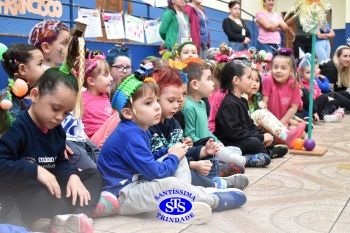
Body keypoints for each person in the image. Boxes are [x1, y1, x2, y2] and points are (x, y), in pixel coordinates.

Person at [97, 71, 247, 223]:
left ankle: (187, 199)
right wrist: (173, 156)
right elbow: (156, 173)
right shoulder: (131, 136)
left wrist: (170, 152)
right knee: (170, 183)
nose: (156, 107)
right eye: (148, 103)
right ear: (128, 113)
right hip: (122, 195)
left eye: (156, 100)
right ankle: (211, 199)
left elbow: (149, 159)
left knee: (179, 158)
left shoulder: (140, 128)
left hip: (137, 183)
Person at [0, 67, 103, 232]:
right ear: (35, 96)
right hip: (28, 194)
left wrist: (73, 177)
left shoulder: (57, 130)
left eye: (66, 113)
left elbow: (61, 162)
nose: (59, 117)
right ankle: (84, 206)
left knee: (93, 174)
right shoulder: (16, 128)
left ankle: (81, 215)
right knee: (40, 199)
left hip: (54, 190)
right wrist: (35, 170)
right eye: (55, 109)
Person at [149, 65, 248, 189]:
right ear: (156, 99)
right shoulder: (149, 128)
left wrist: (203, 151)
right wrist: (193, 164)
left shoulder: (173, 122)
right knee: (187, 175)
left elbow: (182, 151)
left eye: (180, 98)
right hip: (166, 173)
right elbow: (159, 164)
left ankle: (214, 173)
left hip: (180, 165)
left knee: (209, 163)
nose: (176, 105)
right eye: (171, 100)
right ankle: (216, 185)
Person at [181, 60, 271, 167]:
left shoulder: (202, 104)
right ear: (195, 84)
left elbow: (206, 131)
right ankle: (245, 160)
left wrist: (217, 141)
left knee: (235, 149)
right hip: (203, 148)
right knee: (250, 144)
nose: (213, 83)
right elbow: (191, 136)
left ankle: (231, 161)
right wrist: (211, 144)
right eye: (209, 79)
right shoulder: (188, 107)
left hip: (211, 145)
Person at [214, 60, 288, 160]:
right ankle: (269, 153)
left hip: (242, 137)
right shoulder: (229, 104)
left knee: (270, 137)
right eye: (249, 78)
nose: (251, 82)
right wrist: (260, 138)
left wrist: (262, 135)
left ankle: (262, 150)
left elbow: (250, 125)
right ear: (236, 80)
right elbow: (234, 133)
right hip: (230, 142)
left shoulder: (242, 101)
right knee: (254, 142)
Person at [248, 69, 306, 148]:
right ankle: (285, 136)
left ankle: (284, 136)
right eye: (250, 80)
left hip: (257, 129)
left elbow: (267, 115)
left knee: (301, 134)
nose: (254, 84)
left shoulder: (258, 97)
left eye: (257, 80)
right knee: (260, 113)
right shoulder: (241, 97)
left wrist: (292, 118)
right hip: (247, 129)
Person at [262, 48, 303, 130]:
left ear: (291, 71)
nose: (278, 71)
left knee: (299, 134)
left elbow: (293, 107)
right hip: (268, 121)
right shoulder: (268, 80)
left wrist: (280, 124)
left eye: (283, 68)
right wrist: (272, 124)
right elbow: (264, 103)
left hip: (283, 121)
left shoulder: (294, 84)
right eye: (275, 67)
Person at [1, 43, 44, 119]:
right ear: (22, 69)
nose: (44, 68)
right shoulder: (5, 102)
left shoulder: (44, 93)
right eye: (40, 64)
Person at [298, 54, 342, 123]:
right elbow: (308, 100)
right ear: (301, 73)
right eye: (308, 72)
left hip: (316, 105)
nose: (311, 74)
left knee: (335, 102)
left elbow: (319, 95)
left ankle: (323, 114)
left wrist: (328, 99)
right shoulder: (302, 84)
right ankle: (321, 114)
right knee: (324, 97)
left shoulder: (314, 83)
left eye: (312, 72)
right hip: (308, 107)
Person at [82, 54, 113, 138]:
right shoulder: (81, 99)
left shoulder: (109, 97)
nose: (111, 78)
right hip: (92, 144)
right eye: (106, 75)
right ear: (91, 81)